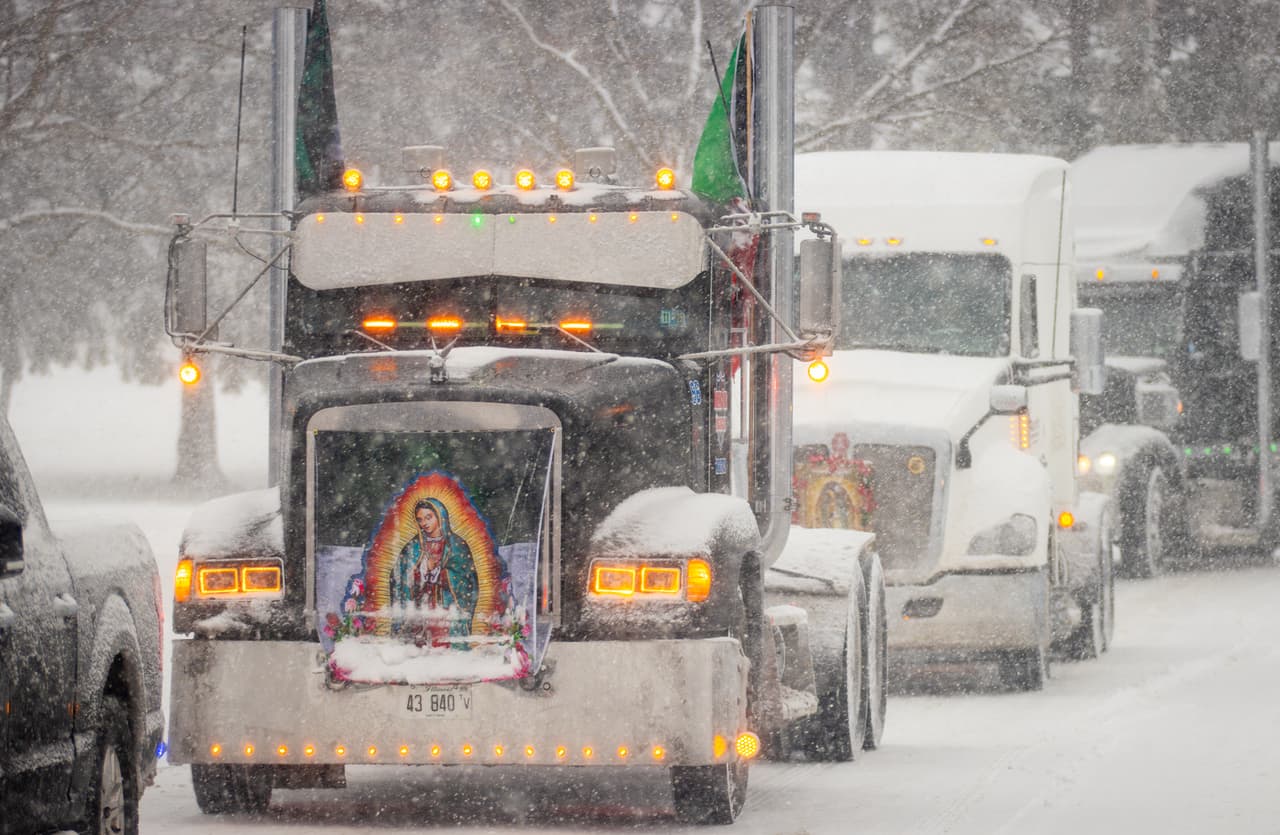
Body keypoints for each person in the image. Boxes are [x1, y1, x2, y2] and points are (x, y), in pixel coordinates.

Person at [389, 498, 479, 641]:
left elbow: (467, 581)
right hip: (419, 610)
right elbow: (398, 576)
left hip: (445, 612)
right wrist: (421, 571)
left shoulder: (456, 545)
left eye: (428, 517)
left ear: (440, 516)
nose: (424, 523)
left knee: (442, 649)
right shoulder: (413, 546)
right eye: (420, 519)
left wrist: (441, 573)